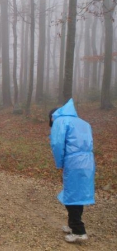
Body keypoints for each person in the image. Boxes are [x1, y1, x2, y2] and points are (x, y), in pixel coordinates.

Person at [49, 98, 95, 243]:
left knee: (71, 195)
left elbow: (57, 144)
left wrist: (59, 163)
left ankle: (79, 231)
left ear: (52, 116)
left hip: (73, 161)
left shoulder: (60, 121)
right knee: (78, 194)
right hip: (88, 160)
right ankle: (72, 225)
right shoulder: (83, 123)